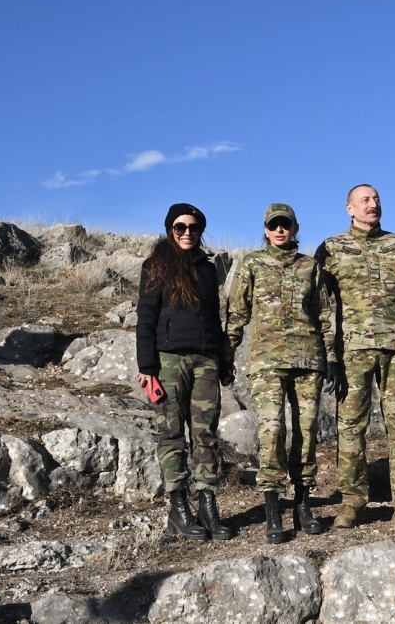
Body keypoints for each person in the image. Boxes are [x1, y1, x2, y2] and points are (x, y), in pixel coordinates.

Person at [316, 184, 395, 529]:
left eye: (377, 199)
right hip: (352, 351)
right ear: (349, 208)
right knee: (350, 425)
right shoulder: (331, 248)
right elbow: (321, 305)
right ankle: (352, 502)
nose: (373, 204)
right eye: (365, 200)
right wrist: (329, 354)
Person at [225, 203, 336, 544]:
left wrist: (331, 356)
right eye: (273, 225)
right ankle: (273, 510)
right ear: (265, 229)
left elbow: (324, 315)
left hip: (308, 361)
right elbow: (236, 312)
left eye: (285, 224)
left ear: (295, 228)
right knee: (272, 432)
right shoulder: (252, 264)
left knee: (306, 433)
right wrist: (227, 352)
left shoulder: (310, 267)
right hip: (267, 362)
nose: (279, 230)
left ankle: (303, 506)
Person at [136, 203, 234, 541]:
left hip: (206, 360)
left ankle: (208, 507)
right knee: (172, 433)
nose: (187, 233)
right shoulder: (155, 266)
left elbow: (215, 317)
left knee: (206, 433)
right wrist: (146, 367)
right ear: (170, 230)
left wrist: (224, 361)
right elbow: (145, 318)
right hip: (168, 361)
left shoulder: (207, 268)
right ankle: (178, 510)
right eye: (180, 227)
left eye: (194, 227)